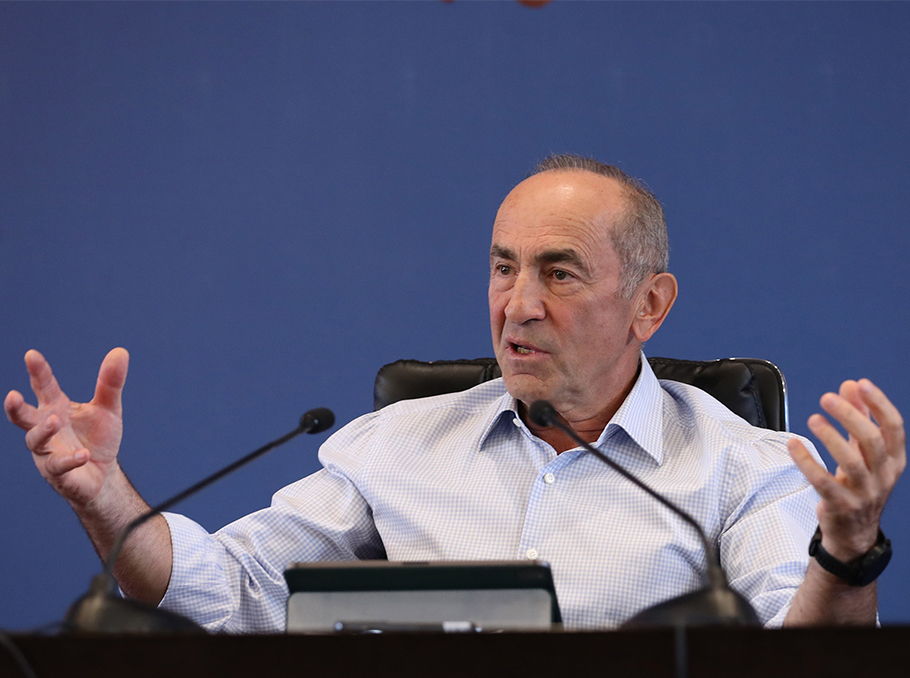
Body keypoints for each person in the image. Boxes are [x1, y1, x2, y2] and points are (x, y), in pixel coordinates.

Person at [5, 155, 905, 632]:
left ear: (650, 305)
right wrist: (104, 496)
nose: (518, 305)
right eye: (504, 268)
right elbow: (229, 589)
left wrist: (848, 552)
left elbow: (806, 656)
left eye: (559, 272)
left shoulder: (743, 466)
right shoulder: (396, 444)